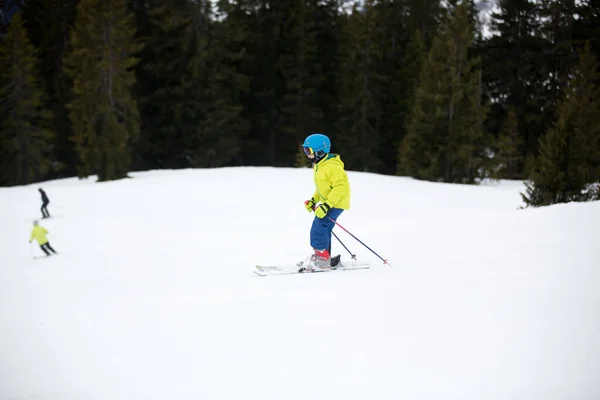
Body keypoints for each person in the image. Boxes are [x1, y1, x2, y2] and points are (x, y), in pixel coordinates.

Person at [301, 133, 351, 270]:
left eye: (309, 151)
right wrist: (313, 200)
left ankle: (322, 259)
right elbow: (321, 188)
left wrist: (327, 205)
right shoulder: (320, 165)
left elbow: (340, 188)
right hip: (329, 202)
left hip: (336, 202)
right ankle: (324, 257)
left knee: (319, 226)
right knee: (325, 228)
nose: (307, 154)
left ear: (320, 152)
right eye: (305, 150)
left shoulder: (332, 167)